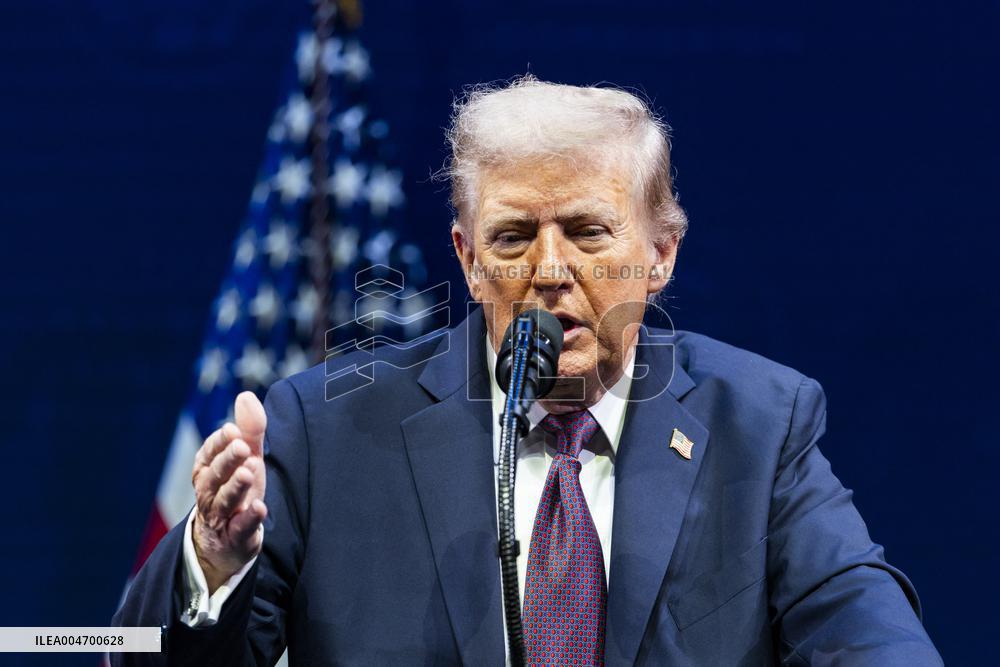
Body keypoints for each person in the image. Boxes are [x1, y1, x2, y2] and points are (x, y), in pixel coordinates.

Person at [113, 76, 942, 665]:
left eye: (588, 232)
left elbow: (869, 636)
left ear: (661, 254)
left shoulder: (758, 426)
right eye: (513, 237)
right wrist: (212, 563)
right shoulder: (325, 430)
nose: (550, 269)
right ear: (469, 261)